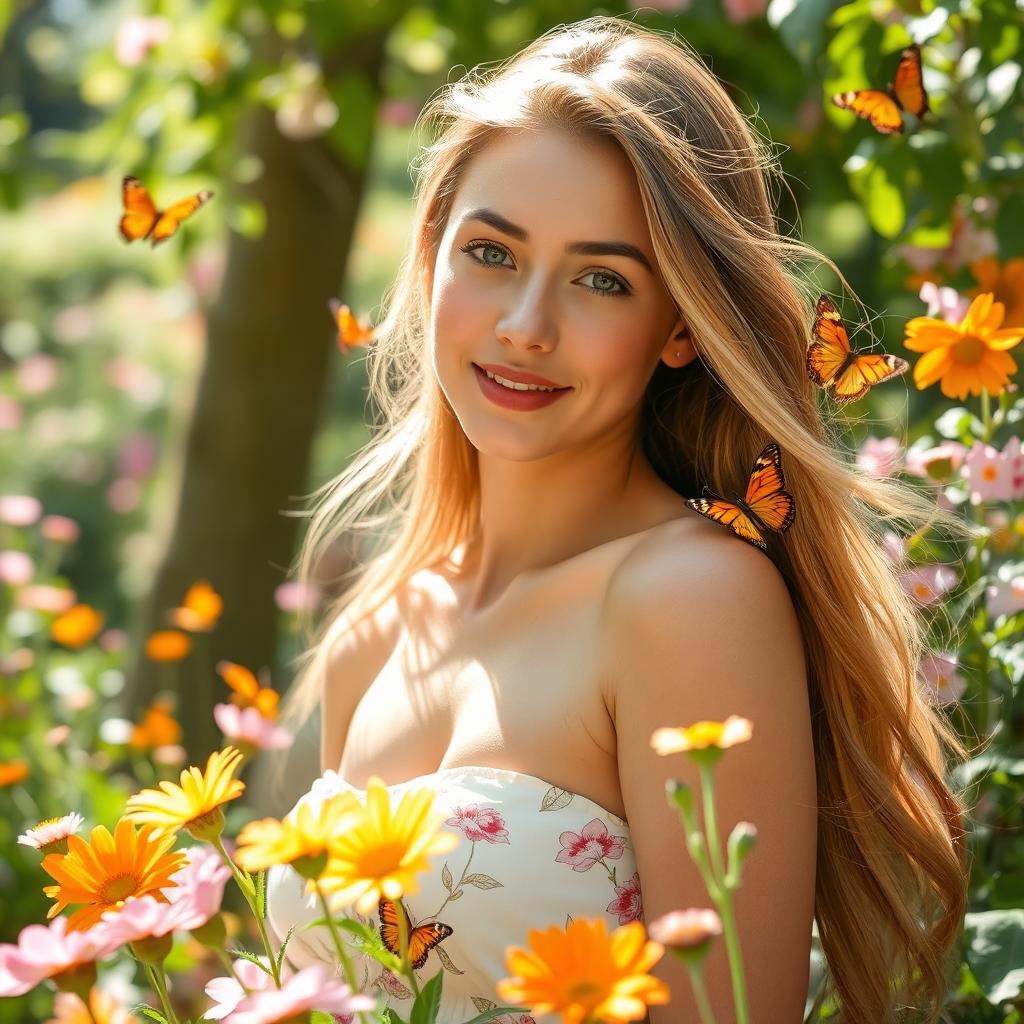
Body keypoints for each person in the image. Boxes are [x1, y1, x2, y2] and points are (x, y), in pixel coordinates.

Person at [266, 15, 972, 1024]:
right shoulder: (376, 636)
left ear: (680, 323)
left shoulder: (688, 597)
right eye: (491, 252)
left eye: (602, 279)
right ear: (432, 259)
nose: (525, 325)